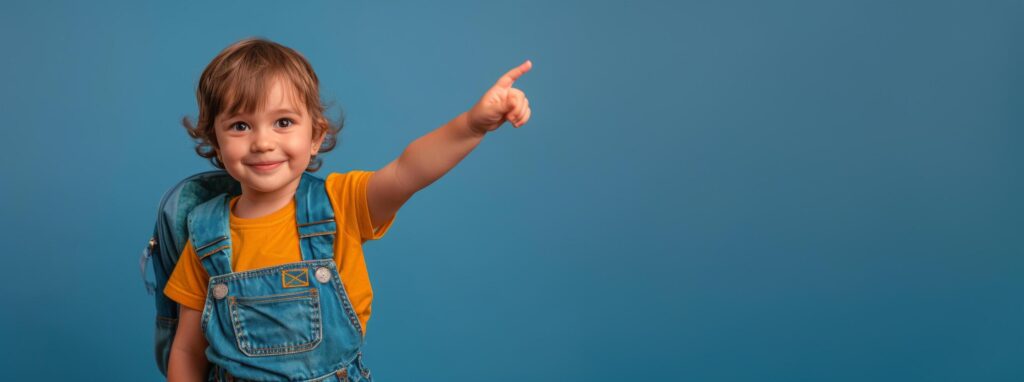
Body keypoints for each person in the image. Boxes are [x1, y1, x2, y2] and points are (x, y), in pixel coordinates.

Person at [163, 37, 532, 381]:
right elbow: (186, 347)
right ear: (216, 139)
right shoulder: (206, 233)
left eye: (283, 122)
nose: (262, 142)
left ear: (316, 137)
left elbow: (409, 171)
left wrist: (470, 125)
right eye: (240, 125)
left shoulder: (341, 203)